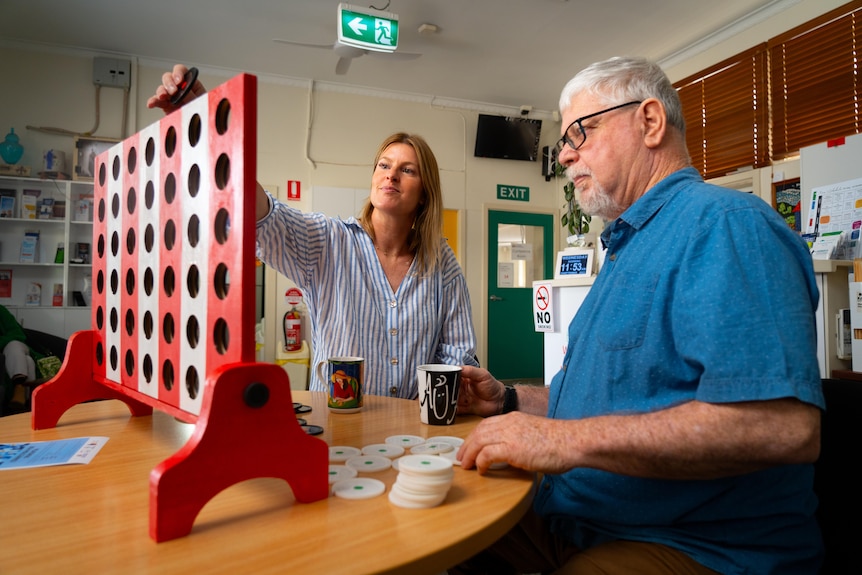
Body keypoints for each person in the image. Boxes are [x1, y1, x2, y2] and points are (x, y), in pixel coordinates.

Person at [454, 56, 824, 574]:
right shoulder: (629, 243)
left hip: (694, 548)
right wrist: (510, 400)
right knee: (436, 524)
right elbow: (612, 396)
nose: (563, 154)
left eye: (580, 132)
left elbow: (781, 427)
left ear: (650, 122)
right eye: (565, 139)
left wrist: (563, 441)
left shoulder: (726, 226)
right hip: (579, 520)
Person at [147, 65, 478, 398]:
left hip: (410, 433)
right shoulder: (330, 243)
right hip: (337, 429)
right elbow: (264, 216)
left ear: (424, 194)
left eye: (407, 170)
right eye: (384, 165)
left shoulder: (442, 264)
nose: (391, 175)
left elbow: (456, 354)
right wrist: (208, 127)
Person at [0, 305, 35, 410]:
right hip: (10, 358)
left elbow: (17, 335)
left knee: (13, 345)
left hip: (16, 349)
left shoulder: (1, 311)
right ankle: (26, 404)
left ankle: (19, 388)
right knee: (28, 361)